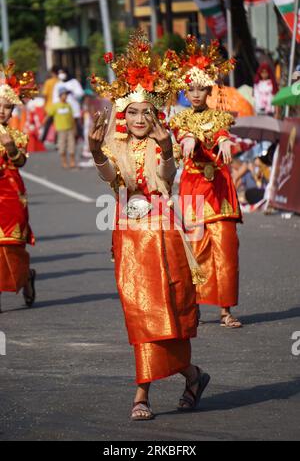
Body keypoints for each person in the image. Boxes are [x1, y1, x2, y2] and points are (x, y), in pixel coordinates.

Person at [89, 32, 210, 420]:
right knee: (138, 310)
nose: (140, 119)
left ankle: (142, 394)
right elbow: (115, 182)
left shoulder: (162, 142)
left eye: (147, 112)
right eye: (133, 113)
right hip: (127, 235)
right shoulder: (116, 145)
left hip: (161, 233)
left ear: (155, 114)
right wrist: (95, 153)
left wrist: (170, 150)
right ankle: (192, 376)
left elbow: (166, 179)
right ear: (122, 115)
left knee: (167, 312)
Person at [170, 36, 243, 328]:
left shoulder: (221, 118)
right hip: (194, 192)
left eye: (202, 88)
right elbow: (180, 140)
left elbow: (222, 137)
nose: (196, 94)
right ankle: (195, 304)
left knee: (226, 250)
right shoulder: (180, 120)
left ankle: (225, 310)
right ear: (186, 92)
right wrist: (187, 138)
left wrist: (224, 142)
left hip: (220, 192)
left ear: (210, 90)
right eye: (192, 89)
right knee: (195, 251)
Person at [0, 62, 37, 312]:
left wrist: (10, 147)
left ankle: (26, 277)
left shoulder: (16, 135)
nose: (3, 112)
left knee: (11, 246)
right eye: (0, 106)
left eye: (8, 108)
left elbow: (21, 161)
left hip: (10, 195)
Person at [47, 87, 76, 168]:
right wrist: (44, 123)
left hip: (70, 128)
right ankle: (64, 162)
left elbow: (72, 117)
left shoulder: (68, 105)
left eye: (66, 94)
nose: (66, 96)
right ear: (60, 95)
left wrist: (74, 128)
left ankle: (72, 161)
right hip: (61, 130)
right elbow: (49, 115)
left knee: (72, 146)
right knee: (62, 146)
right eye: (64, 94)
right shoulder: (56, 106)